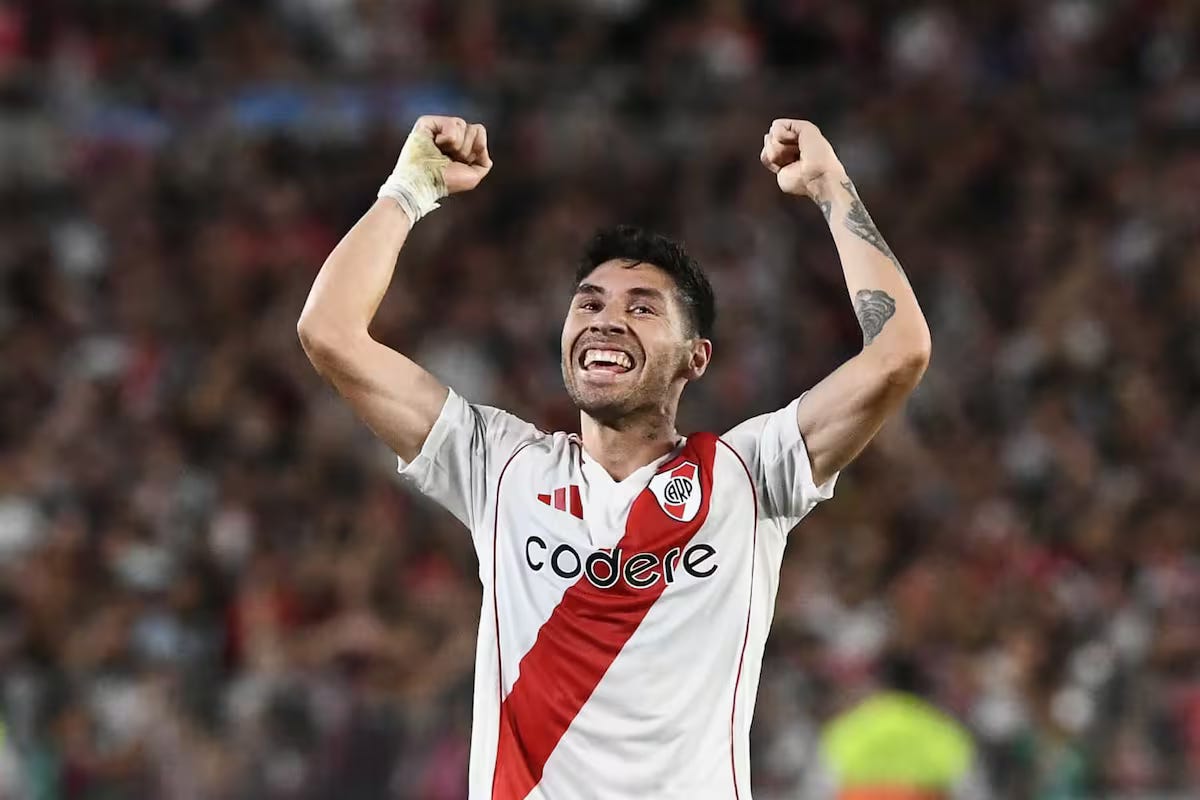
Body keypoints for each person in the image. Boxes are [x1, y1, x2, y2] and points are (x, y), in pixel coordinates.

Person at [297, 115, 931, 799]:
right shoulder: (499, 468)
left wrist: (832, 186)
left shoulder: (749, 477)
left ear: (696, 358)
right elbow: (329, 332)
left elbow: (899, 355)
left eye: (642, 309)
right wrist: (409, 189)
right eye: (589, 303)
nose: (605, 319)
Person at [803, 653, 989, 800]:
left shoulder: (846, 728)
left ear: (878, 684)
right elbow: (971, 790)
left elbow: (817, 789)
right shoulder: (944, 730)